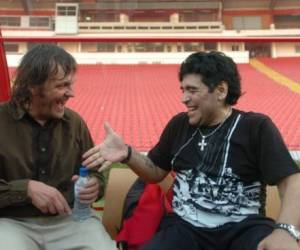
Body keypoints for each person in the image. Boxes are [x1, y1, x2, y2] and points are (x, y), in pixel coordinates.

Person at [82, 51, 300, 250]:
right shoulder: (179, 125)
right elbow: (156, 172)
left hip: (243, 229)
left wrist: (285, 230)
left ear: (221, 90)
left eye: (192, 90)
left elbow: (292, 182)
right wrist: (128, 154)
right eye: (183, 90)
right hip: (186, 229)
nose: (184, 98)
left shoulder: (255, 127)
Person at [0, 44, 117, 250]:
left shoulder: (75, 123)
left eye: (71, 85)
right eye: (62, 85)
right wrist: (25, 189)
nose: (71, 93)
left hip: (71, 220)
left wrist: (94, 186)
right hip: (10, 222)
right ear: (33, 86)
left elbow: (94, 174)